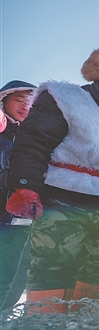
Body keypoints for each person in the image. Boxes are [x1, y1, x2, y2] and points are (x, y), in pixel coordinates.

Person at [6, 49, 99, 313]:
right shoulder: (65, 100)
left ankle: (81, 323)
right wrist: (26, 187)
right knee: (55, 262)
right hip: (63, 198)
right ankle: (43, 325)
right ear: (98, 77)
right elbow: (34, 142)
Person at [0, 81, 36, 310]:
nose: (25, 106)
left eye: (30, 102)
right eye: (19, 99)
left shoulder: (35, 139)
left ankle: (4, 321)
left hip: (19, 219)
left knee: (15, 275)